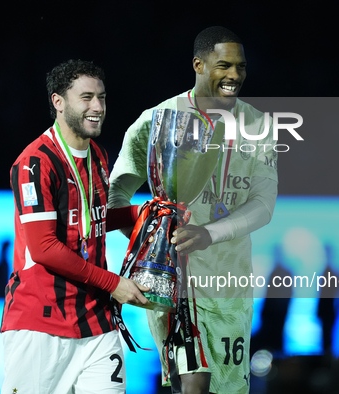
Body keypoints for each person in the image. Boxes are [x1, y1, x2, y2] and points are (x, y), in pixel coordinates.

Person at [109, 27, 278, 394]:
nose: (234, 75)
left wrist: (207, 234)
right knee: (193, 385)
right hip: (177, 285)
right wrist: (151, 243)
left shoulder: (259, 126)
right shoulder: (156, 120)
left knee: (228, 389)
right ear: (198, 65)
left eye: (241, 67)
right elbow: (116, 196)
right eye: (224, 65)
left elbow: (264, 206)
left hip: (229, 284)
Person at [0, 59, 151, 394]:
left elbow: (90, 220)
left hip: (97, 322)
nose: (97, 107)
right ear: (58, 102)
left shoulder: (98, 155)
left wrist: (143, 217)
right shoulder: (34, 163)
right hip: (41, 324)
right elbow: (45, 248)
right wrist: (114, 284)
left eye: (102, 97)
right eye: (86, 98)